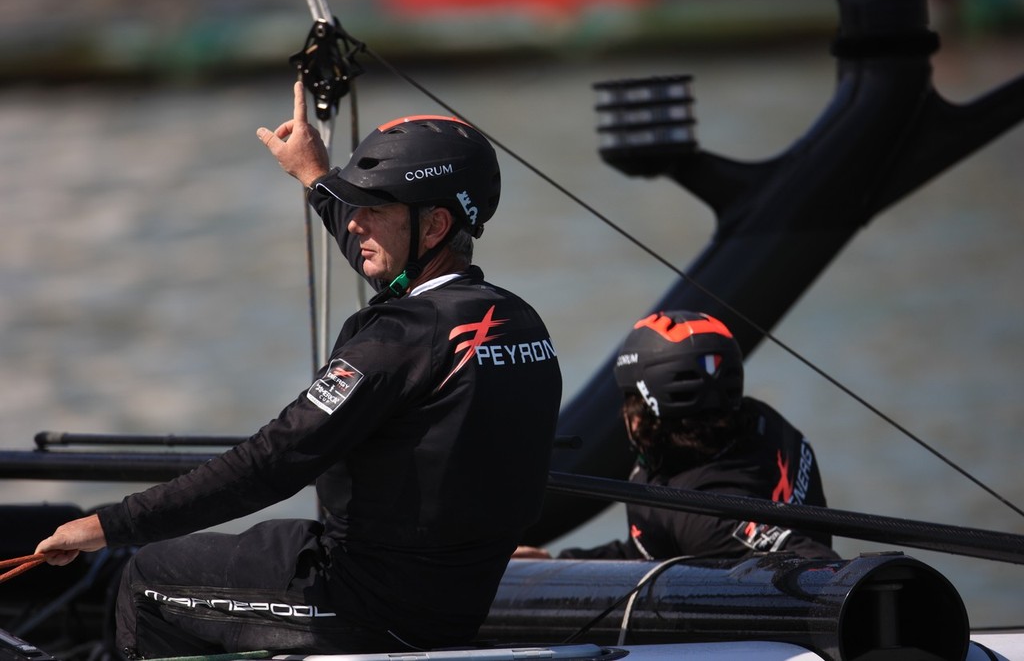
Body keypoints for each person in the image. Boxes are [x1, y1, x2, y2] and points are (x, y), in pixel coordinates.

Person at [35, 82, 563, 657]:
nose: (355, 224)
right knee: (269, 542)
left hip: (366, 604)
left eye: (374, 208)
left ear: (435, 226)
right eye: (353, 208)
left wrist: (108, 525)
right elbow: (388, 258)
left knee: (146, 576)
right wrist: (314, 175)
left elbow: (271, 462)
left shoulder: (399, 337)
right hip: (448, 598)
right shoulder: (519, 322)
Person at [515, 310, 837, 561]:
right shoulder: (764, 423)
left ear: (640, 415)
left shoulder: (693, 512)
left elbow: (815, 565)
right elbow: (651, 553)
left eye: (627, 398)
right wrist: (561, 563)